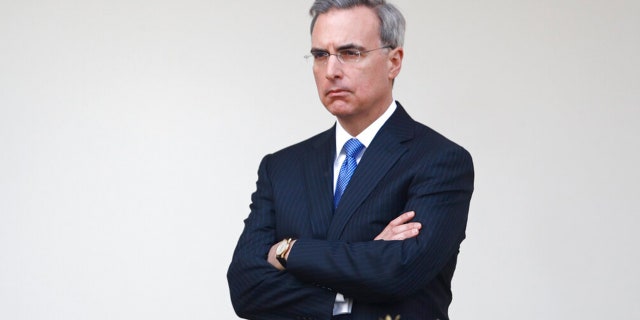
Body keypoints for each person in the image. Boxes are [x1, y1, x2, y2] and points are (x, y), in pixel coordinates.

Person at [227, 1, 474, 319]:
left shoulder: (439, 161)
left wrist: (287, 250)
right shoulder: (281, 168)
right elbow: (245, 289)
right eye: (320, 55)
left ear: (393, 61)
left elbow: (397, 273)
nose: (331, 71)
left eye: (350, 53)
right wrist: (356, 282)